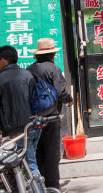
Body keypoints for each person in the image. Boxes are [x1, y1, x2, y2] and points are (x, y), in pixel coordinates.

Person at [27, 38, 73, 190]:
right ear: (52, 54)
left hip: (35, 118)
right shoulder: (53, 69)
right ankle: (53, 186)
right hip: (52, 117)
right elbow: (61, 92)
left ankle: (40, 186)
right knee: (52, 153)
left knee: (39, 151)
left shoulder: (29, 69)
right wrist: (69, 99)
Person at [0, 46, 39, 175]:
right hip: (34, 126)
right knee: (29, 163)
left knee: (28, 166)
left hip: (17, 131)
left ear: (3, 61)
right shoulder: (28, 74)